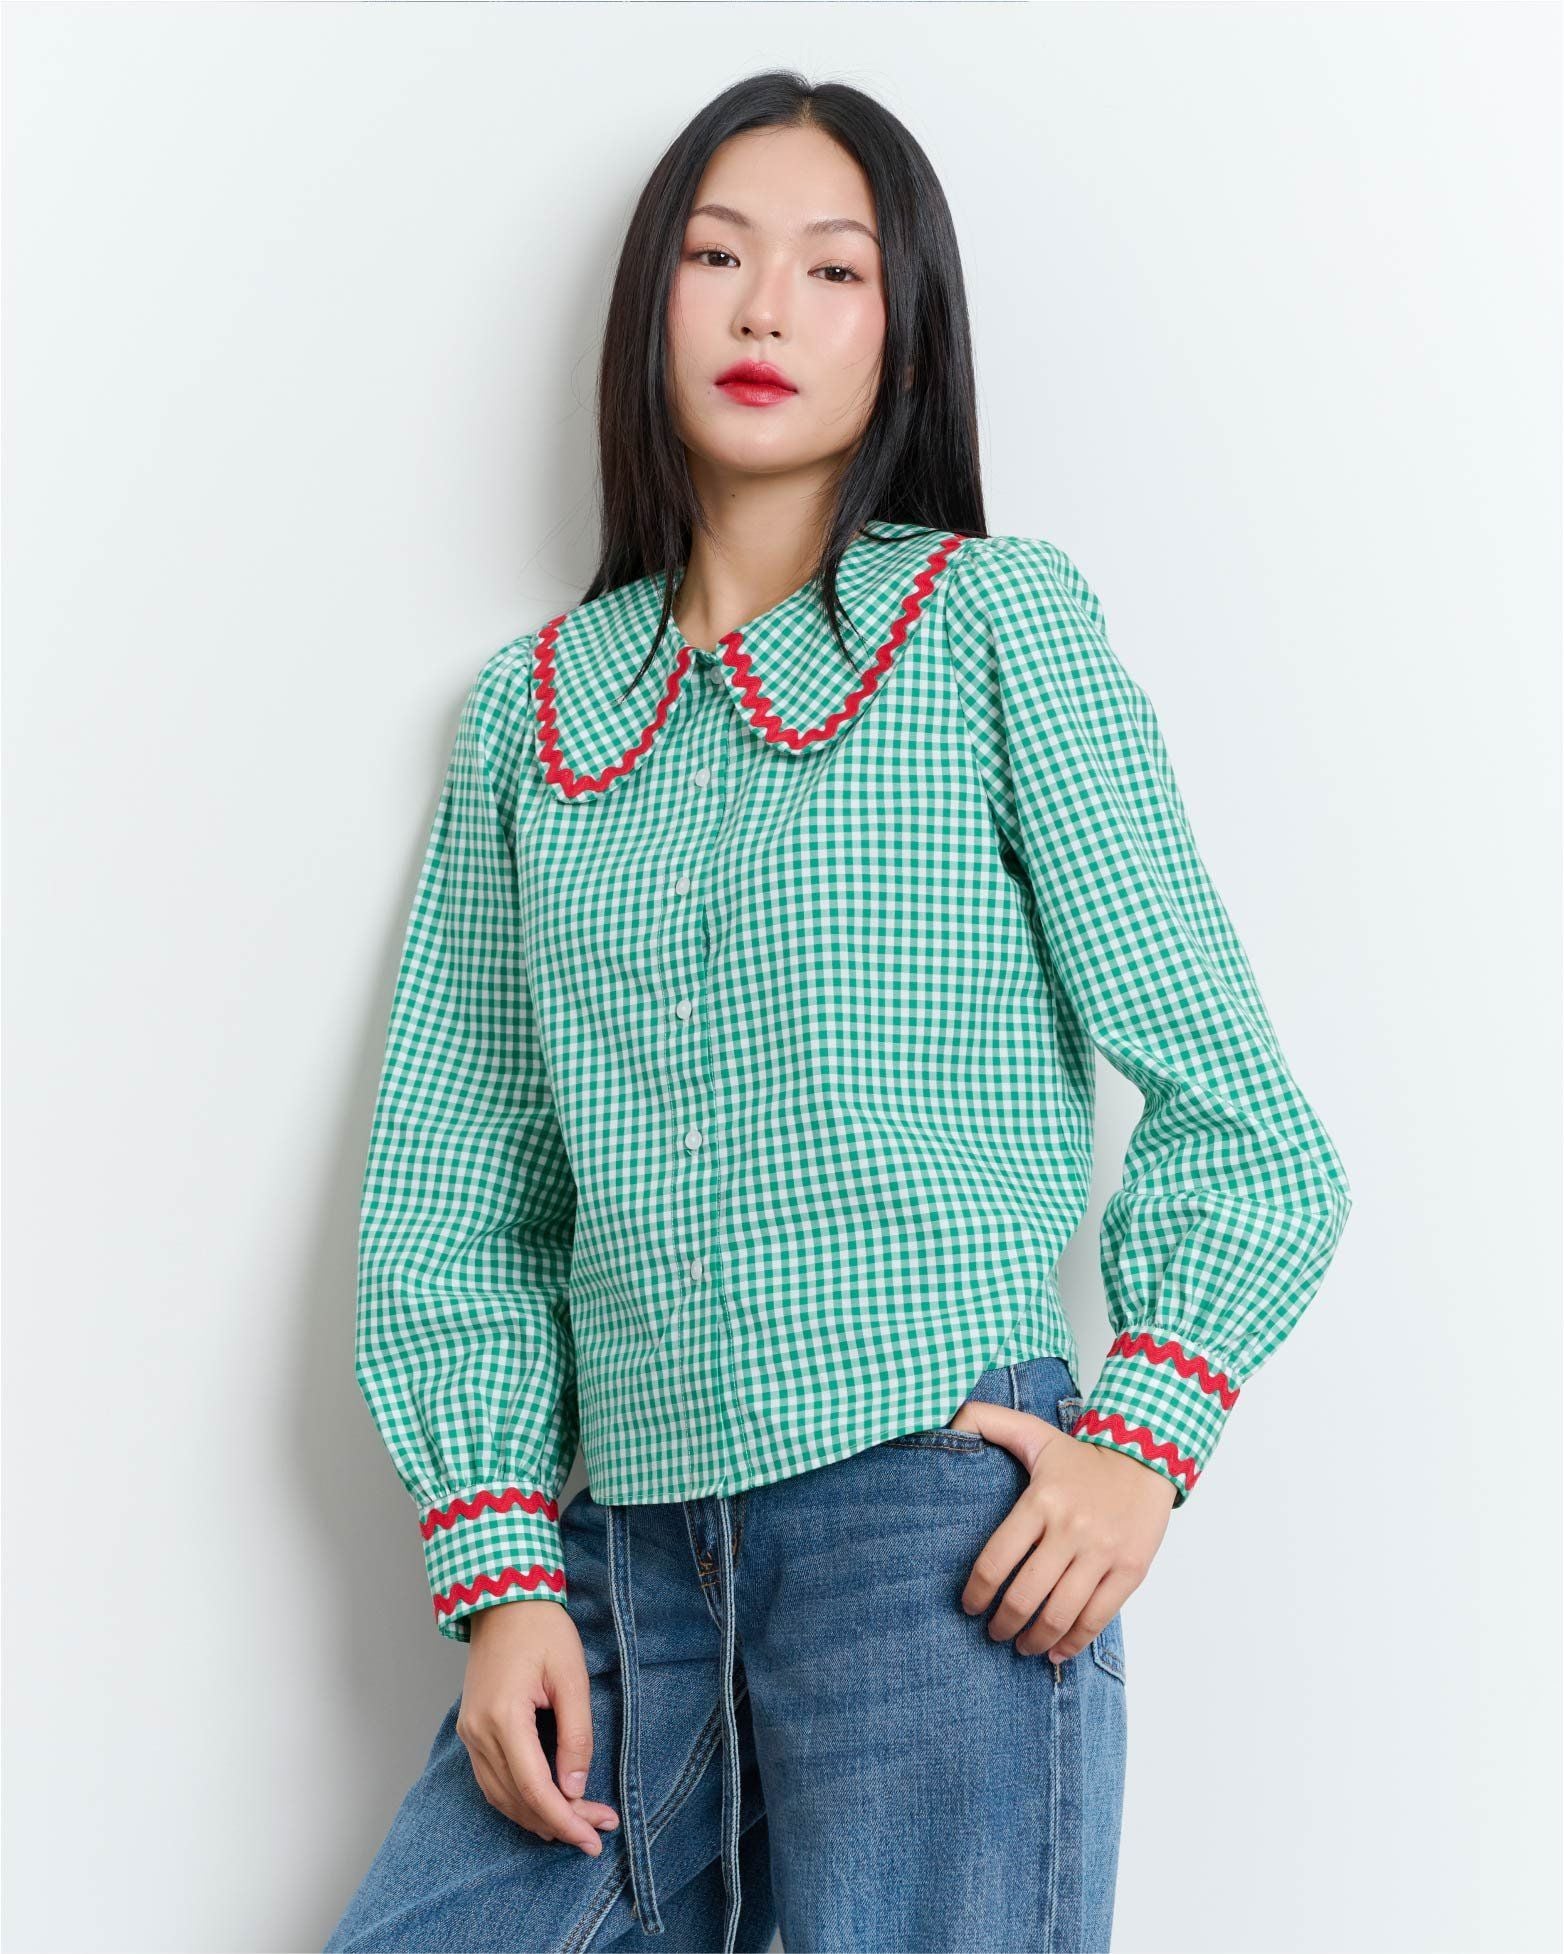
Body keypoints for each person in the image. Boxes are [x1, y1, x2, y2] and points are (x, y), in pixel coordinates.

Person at [324, 70, 1352, 1954]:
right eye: (717, 256)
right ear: (651, 303)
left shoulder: (990, 628)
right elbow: (458, 1192)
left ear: (908, 331)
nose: (767, 309)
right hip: (626, 1559)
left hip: (935, 1536)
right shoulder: (532, 718)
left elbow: (1244, 1116)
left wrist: (1144, 1437)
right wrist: (503, 1572)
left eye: (834, 269)